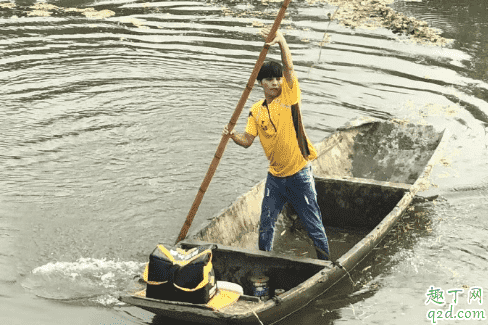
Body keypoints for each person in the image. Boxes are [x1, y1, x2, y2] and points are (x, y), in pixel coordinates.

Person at [222, 28, 330, 260]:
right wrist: (232, 135)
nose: (275, 83)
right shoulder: (256, 111)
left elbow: (289, 69)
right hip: (275, 177)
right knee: (266, 224)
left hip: (299, 173)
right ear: (260, 83)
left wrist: (281, 41)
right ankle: (264, 262)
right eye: (269, 79)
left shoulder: (288, 98)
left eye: (277, 78)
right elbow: (248, 141)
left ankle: (324, 262)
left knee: (312, 222)